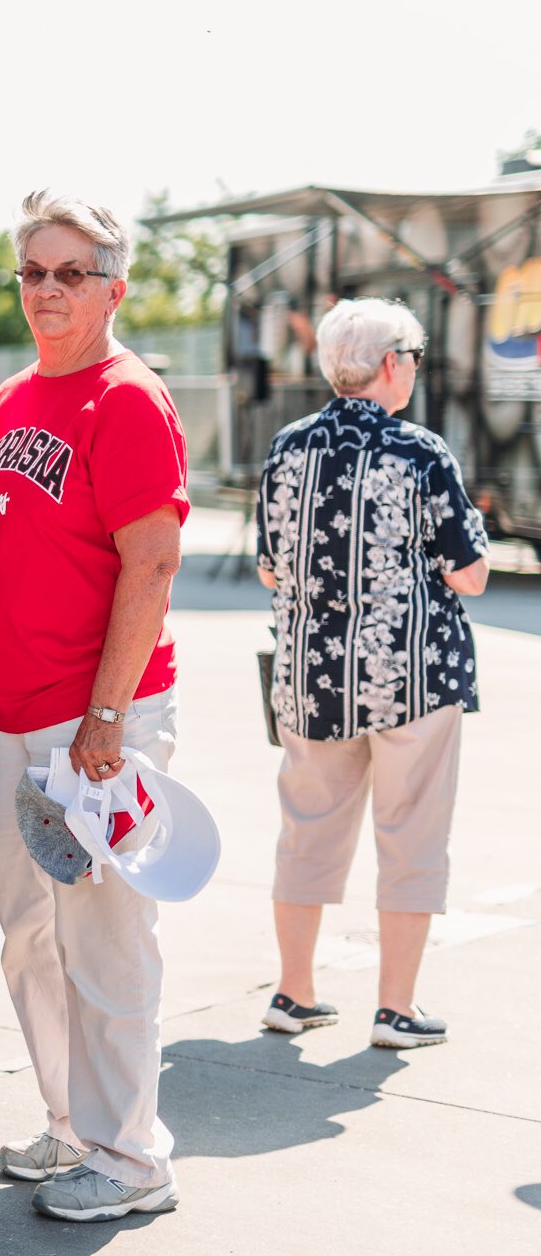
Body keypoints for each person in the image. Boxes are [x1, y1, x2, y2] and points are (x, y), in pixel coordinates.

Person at [0, 191, 188, 1223]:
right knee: (27, 933)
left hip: (94, 722)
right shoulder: (10, 400)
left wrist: (104, 716)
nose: (46, 291)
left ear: (111, 288)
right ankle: (71, 1125)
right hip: (12, 720)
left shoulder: (124, 397)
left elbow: (150, 563)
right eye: (32, 272)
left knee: (104, 938)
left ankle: (131, 1156)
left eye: (69, 274)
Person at [256, 298, 488, 1049]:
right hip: (409, 677)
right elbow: (473, 573)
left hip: (309, 678)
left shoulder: (287, 447)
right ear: (392, 363)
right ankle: (395, 1007)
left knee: (307, 832)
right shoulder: (420, 452)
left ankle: (293, 994)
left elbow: (268, 567)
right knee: (411, 833)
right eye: (413, 355)